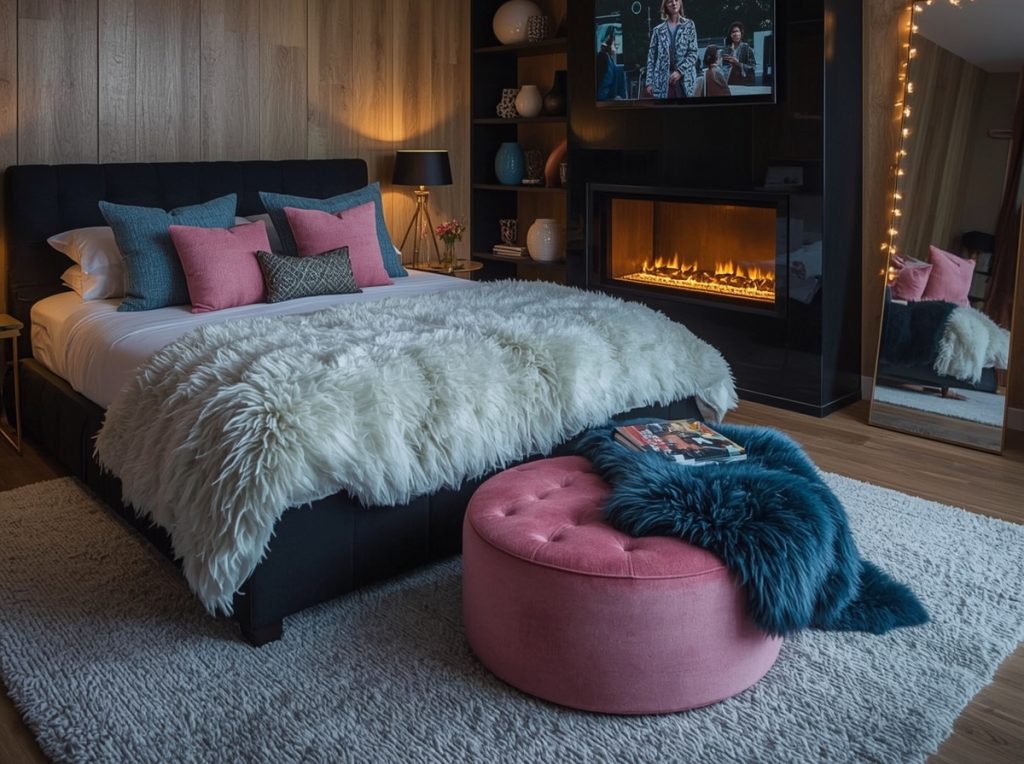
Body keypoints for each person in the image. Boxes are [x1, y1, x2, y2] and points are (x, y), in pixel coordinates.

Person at [643, 0, 698, 99]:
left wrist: (680, 71)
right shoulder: (658, 30)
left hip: (685, 81)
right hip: (663, 82)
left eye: (676, 0)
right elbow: (651, 58)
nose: (674, 3)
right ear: (665, 6)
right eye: (669, 1)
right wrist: (649, 82)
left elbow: (693, 53)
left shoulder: (689, 25)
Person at [721, 21, 757, 86]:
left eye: (737, 31)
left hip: (744, 83)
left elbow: (752, 67)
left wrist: (738, 63)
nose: (735, 34)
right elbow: (723, 67)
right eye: (733, 32)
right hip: (730, 82)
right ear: (730, 35)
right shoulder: (726, 49)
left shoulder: (747, 48)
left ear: (741, 33)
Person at [596, 27, 618, 100]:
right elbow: (602, 81)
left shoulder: (609, 59)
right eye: (614, 44)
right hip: (602, 96)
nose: (615, 48)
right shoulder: (602, 58)